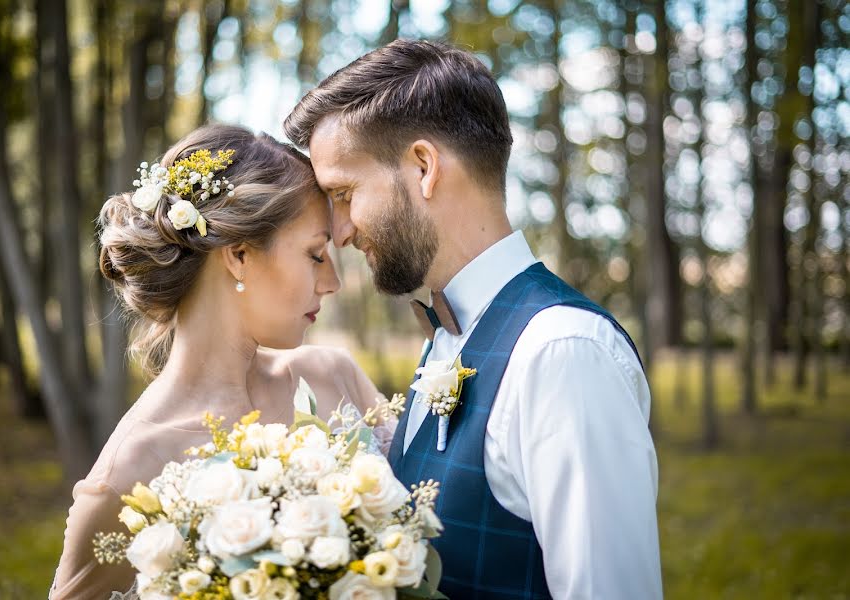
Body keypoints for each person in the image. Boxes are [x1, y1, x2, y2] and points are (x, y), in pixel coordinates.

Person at [285, 39, 664, 599]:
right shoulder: (448, 335)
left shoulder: (562, 352)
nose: (340, 231)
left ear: (423, 167)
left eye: (344, 193)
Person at [50, 124, 388, 599]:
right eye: (315, 254)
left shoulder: (335, 378)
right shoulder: (129, 472)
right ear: (240, 254)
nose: (332, 281)